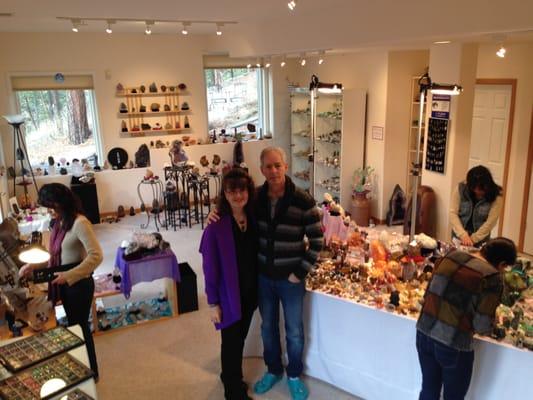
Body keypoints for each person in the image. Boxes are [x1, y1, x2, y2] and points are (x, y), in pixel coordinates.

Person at [208, 147, 323, 400]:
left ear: (286, 166)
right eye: (268, 167)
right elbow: (233, 214)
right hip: (263, 279)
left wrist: (299, 273)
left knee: (294, 331)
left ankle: (293, 374)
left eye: (277, 165)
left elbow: (317, 240)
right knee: (267, 329)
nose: (273, 171)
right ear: (261, 170)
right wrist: (213, 214)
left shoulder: (303, 200)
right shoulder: (255, 198)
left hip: (291, 281)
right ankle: (273, 370)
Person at [19, 183, 103, 379]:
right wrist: (34, 266)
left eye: (51, 206)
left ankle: (92, 373)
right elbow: (56, 255)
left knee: (80, 327)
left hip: (79, 285)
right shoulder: (60, 223)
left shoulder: (80, 223)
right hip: (64, 282)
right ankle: (82, 367)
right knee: (74, 327)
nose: (49, 211)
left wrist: (69, 275)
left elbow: (96, 256)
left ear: (61, 203)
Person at [416, 237, 517, 400]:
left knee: (429, 389)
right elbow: (481, 325)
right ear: (502, 263)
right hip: (453, 343)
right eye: (505, 268)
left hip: (424, 331)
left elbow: (429, 294)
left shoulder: (450, 255)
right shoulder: (492, 277)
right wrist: (493, 323)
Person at [199, 168, 258, 400]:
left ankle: (229, 374)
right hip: (228, 295)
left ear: (248, 191)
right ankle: (233, 390)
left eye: (242, 190)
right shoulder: (216, 226)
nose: (237, 195)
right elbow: (209, 268)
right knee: (231, 342)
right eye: (231, 191)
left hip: (251, 293)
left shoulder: (253, 217)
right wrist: (213, 302)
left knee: (239, 338)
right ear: (224, 193)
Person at [449, 165, 503, 247]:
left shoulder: (496, 195)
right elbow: (453, 213)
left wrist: (473, 239)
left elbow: (490, 222)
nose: (477, 191)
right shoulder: (461, 188)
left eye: (481, 189)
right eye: (474, 188)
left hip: (481, 240)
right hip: (459, 236)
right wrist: (463, 235)